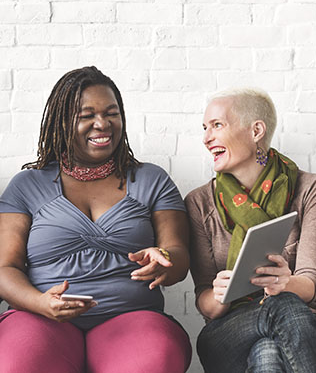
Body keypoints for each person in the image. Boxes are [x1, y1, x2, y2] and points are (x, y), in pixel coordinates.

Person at [0, 66, 192, 372]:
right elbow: (4, 268)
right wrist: (40, 303)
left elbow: (180, 256)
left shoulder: (151, 179)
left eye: (111, 113)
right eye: (86, 115)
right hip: (39, 317)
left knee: (156, 359)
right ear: (62, 121)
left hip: (131, 316)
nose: (101, 124)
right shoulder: (27, 185)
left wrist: (165, 258)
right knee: (17, 363)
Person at [185, 88, 316, 373]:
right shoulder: (199, 202)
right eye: (205, 128)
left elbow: (309, 283)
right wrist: (220, 294)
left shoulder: (312, 189)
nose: (206, 138)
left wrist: (286, 284)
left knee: (268, 350)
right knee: (281, 309)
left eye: (217, 125)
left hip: (307, 324)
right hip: (228, 331)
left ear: (256, 130)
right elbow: (205, 303)